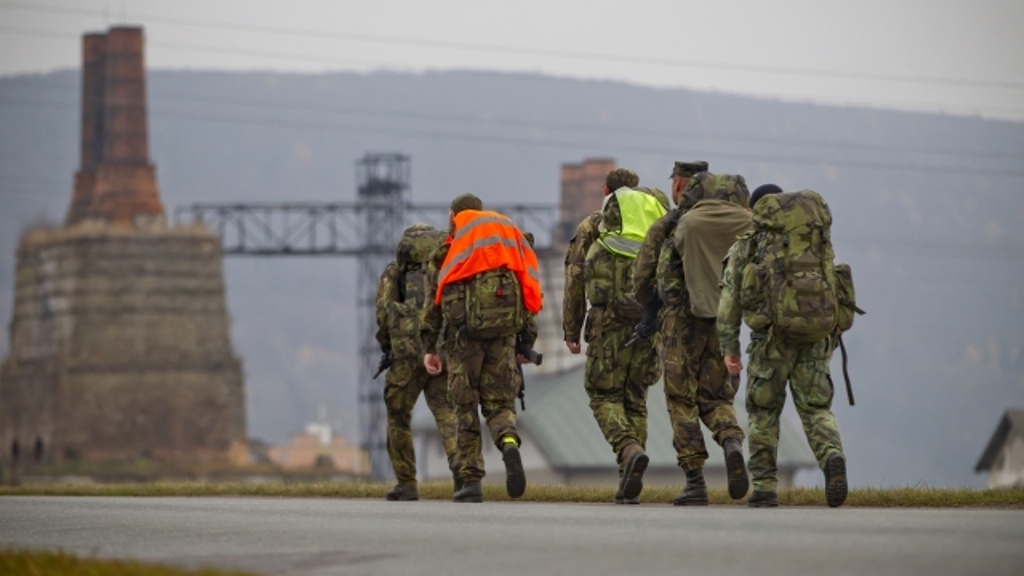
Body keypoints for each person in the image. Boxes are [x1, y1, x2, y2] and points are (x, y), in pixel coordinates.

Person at [718, 184, 849, 508]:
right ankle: (832, 456)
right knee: (816, 409)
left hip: (770, 341)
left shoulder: (750, 244)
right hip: (814, 338)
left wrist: (730, 347)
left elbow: (729, 300)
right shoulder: (813, 243)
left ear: (756, 211)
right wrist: (830, 335)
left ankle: (764, 487)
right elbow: (833, 289)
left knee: (763, 412)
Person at [421, 193, 542, 503]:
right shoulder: (507, 241)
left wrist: (429, 348)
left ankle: (471, 480)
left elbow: (433, 306)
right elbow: (528, 296)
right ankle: (509, 442)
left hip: (463, 342)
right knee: (500, 404)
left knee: (465, 407)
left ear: (455, 217)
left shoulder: (450, 250)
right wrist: (525, 342)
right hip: (503, 338)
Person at [563, 168, 668, 504]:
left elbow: (576, 279)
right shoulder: (658, 222)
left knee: (602, 394)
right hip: (651, 324)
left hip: (607, 324)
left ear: (606, 190)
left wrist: (571, 330)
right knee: (635, 397)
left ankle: (627, 448)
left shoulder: (594, 225)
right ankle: (628, 480)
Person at [650, 172, 753, 506]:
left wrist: (658, 310)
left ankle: (695, 480)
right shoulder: (749, 224)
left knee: (681, 399)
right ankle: (731, 441)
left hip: (684, 322)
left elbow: (664, 278)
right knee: (718, 396)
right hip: (725, 323)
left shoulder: (687, 223)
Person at [375, 224, 462, 501]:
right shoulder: (447, 270)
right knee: (447, 414)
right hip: (439, 353)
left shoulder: (395, 272)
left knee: (398, 417)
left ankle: (406, 483)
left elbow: (383, 314)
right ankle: (462, 473)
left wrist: (387, 345)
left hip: (405, 356)